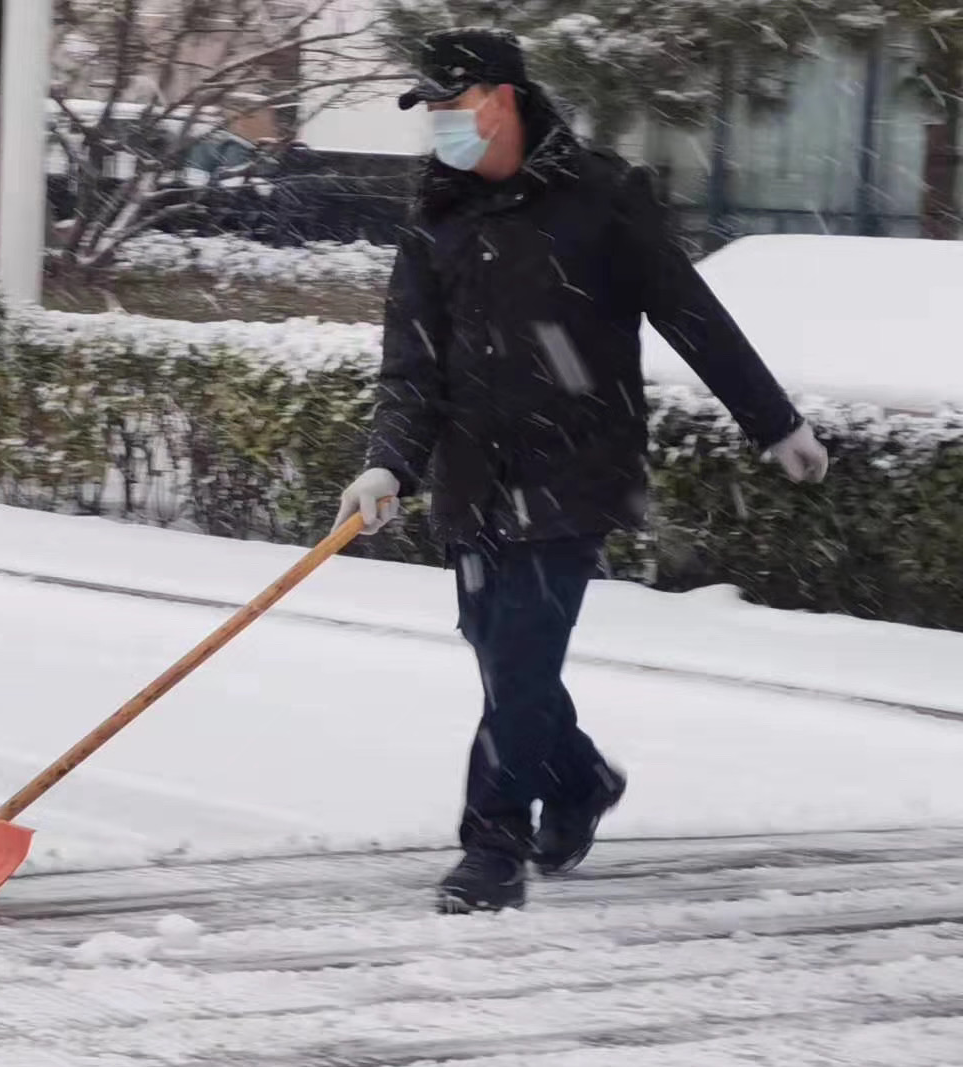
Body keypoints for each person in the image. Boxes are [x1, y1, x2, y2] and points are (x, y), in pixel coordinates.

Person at [333, 28, 829, 914]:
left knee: (520, 658)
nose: (441, 124)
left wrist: (771, 418)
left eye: (451, 104)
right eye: (432, 110)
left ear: (502, 99)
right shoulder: (435, 220)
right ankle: (579, 779)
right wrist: (387, 466)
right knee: (503, 660)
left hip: (575, 471)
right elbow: (411, 366)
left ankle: (492, 849)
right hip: (471, 479)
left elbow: (689, 311)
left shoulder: (602, 197)